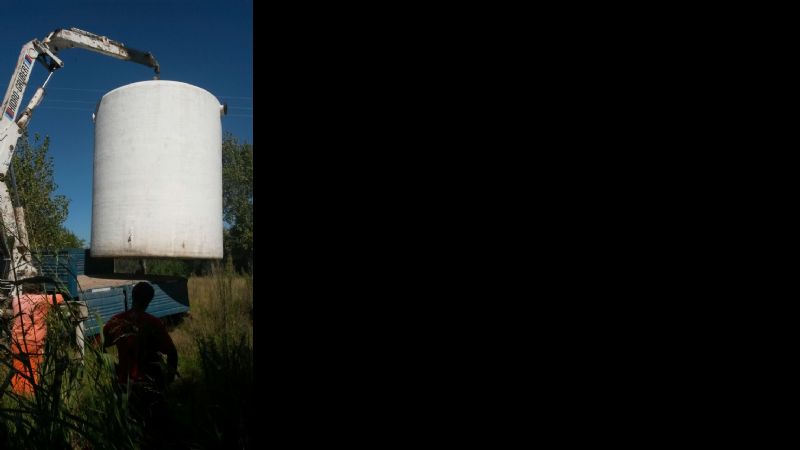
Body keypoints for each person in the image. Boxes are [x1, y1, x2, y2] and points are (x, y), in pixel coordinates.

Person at [103, 281, 177, 439]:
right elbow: (172, 353)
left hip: (124, 385)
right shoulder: (153, 324)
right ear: (149, 300)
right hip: (148, 386)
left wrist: (115, 368)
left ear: (132, 296)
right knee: (151, 431)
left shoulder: (116, 321)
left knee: (127, 431)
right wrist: (168, 380)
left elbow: (103, 346)